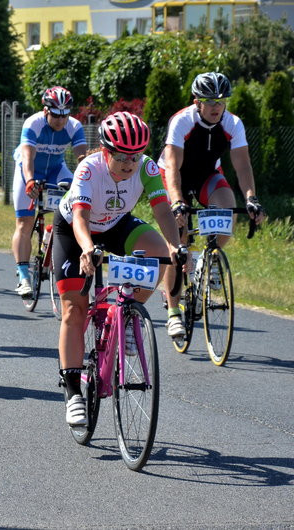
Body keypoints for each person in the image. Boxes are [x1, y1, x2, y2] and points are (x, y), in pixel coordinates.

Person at [53, 111, 184, 426]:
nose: (130, 164)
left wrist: (177, 247)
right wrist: (87, 250)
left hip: (114, 225)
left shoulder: (147, 168)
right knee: (75, 309)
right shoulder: (89, 169)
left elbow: (163, 210)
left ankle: (127, 318)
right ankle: (73, 391)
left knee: (157, 251)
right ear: (106, 151)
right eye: (123, 157)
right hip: (74, 231)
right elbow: (81, 218)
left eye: (135, 157)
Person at [158, 72, 266, 338]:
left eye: (221, 100)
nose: (216, 106)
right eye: (209, 101)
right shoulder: (182, 121)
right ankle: (173, 313)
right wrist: (177, 203)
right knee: (178, 243)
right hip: (175, 176)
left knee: (227, 212)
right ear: (197, 101)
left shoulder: (233, 123)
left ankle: (210, 259)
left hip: (208, 175)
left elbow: (242, 166)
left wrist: (251, 198)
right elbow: (172, 167)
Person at [11, 86, 87, 300]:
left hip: (56, 170)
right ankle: (23, 276)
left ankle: (52, 238)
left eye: (65, 115)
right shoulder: (33, 123)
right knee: (24, 223)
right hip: (29, 170)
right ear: (46, 111)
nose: (61, 120)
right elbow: (27, 157)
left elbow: (82, 159)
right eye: (56, 115)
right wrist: (29, 181)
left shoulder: (74, 126)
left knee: (77, 204)